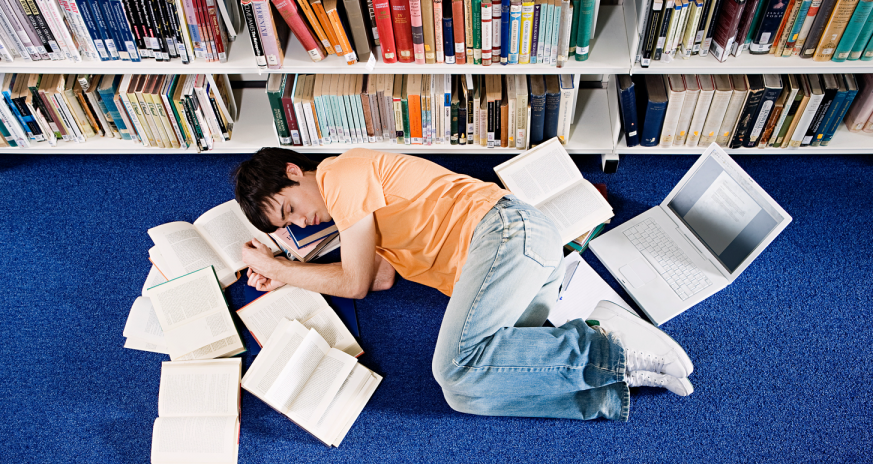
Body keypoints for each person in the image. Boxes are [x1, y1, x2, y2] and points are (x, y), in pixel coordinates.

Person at [233, 147, 694, 422]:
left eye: (289, 208)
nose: (300, 221)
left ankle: (609, 353)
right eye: (287, 224)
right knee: (465, 391)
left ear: (294, 172)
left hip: (505, 233)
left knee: (453, 368)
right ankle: (609, 360)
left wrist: (279, 270)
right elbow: (377, 277)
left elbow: (351, 283)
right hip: (520, 261)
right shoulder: (356, 216)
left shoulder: (340, 176)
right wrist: (287, 272)